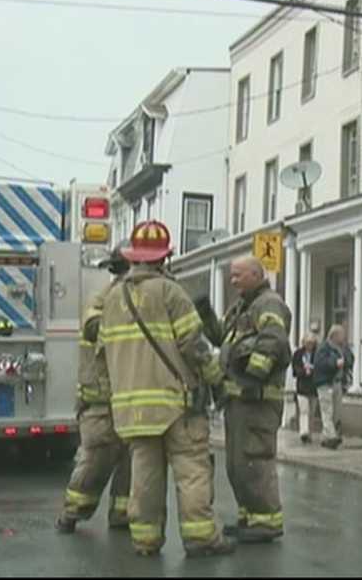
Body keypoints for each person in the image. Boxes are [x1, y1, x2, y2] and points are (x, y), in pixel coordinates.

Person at [101, 221, 234, 557]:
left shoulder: (113, 298)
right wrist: (217, 377)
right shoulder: (171, 292)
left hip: (132, 408)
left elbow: (104, 352)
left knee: (144, 474)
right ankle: (201, 538)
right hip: (176, 403)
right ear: (164, 257)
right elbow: (194, 345)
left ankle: (145, 540)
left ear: (132, 257)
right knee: (191, 471)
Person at [215, 255, 293, 544]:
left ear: (256, 274)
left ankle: (267, 521)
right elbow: (223, 339)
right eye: (231, 275)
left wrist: (254, 375)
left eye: (238, 275)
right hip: (238, 400)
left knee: (254, 458)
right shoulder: (241, 307)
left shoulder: (268, 303)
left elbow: (273, 339)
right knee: (238, 463)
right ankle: (249, 515)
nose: (232, 280)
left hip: (258, 401)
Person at [55, 246, 133, 534]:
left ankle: (122, 513)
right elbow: (94, 328)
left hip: (125, 396)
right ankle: (72, 512)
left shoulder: (130, 296)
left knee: (131, 459)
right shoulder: (106, 298)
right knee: (97, 458)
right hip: (101, 398)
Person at [312, 324, 354, 450]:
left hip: (338, 383)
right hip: (325, 383)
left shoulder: (342, 347)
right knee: (327, 411)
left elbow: (350, 359)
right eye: (342, 335)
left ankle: (326, 437)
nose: (344, 337)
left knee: (336, 412)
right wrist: (334, 363)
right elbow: (320, 364)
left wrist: (347, 359)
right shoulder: (323, 348)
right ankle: (331, 437)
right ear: (334, 335)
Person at [291, 334, 320, 444]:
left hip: (313, 387)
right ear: (303, 343)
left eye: (312, 343)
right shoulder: (298, 354)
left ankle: (310, 434)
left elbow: (320, 368)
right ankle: (304, 433)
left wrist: (312, 370)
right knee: (304, 411)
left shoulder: (317, 354)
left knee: (311, 413)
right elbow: (295, 370)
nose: (310, 345)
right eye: (308, 343)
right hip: (302, 387)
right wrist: (303, 371)